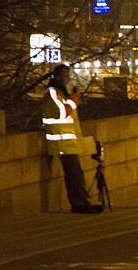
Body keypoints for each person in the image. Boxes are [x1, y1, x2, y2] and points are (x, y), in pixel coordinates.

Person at [42, 64, 103, 214]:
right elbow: (61, 113)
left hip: (68, 141)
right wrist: (74, 101)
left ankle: (82, 202)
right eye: (65, 76)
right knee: (74, 174)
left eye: (68, 76)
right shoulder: (52, 93)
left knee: (76, 173)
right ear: (58, 77)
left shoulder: (62, 93)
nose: (68, 79)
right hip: (61, 141)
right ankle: (79, 204)